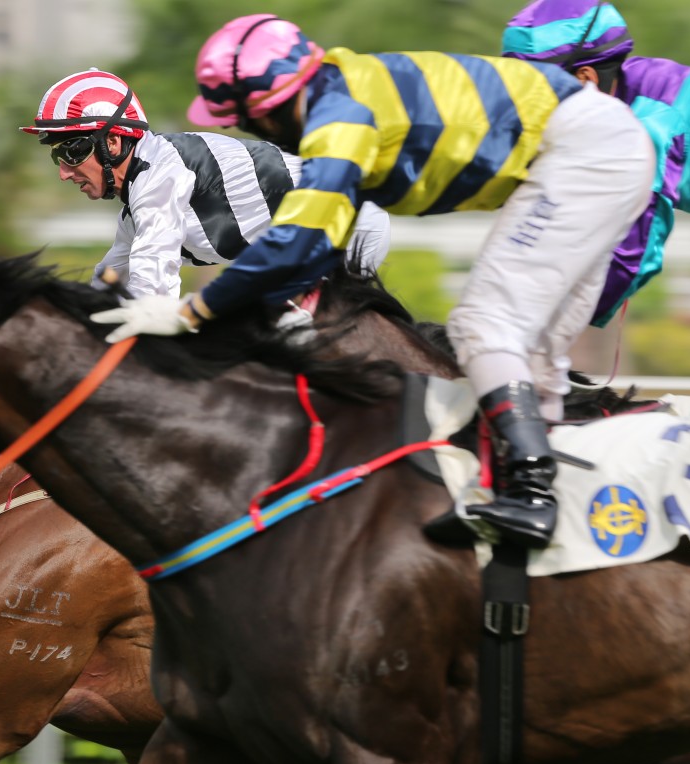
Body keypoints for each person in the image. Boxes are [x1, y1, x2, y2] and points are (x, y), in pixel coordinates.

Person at [91, 14, 655, 549]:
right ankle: (543, 490)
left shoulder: (341, 119)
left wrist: (194, 313)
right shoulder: (342, 89)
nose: (245, 131)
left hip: (585, 153)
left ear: (271, 106)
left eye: (245, 119)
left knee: (483, 325)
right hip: (600, 146)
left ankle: (530, 496)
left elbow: (296, 239)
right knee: (532, 350)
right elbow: (310, 242)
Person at [20, 68, 390, 303]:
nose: (65, 173)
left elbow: (154, 287)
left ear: (112, 142)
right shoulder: (139, 202)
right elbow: (109, 281)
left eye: (69, 152)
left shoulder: (159, 175)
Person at [502, 0, 690, 327]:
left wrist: (549, 322)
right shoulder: (634, 84)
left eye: (534, 92)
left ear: (586, 77)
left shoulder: (642, 124)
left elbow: (633, 250)